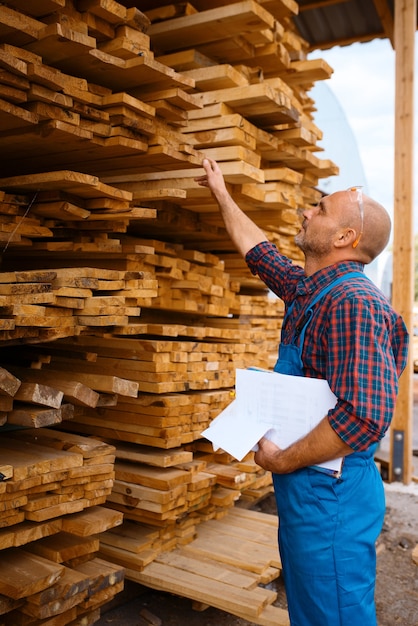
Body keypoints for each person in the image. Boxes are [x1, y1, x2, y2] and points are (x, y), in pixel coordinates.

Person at [195, 158, 409, 626]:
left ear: (344, 238)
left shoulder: (353, 303)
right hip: (309, 492)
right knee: (313, 612)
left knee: (333, 615)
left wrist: (282, 459)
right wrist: (222, 194)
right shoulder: (313, 291)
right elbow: (260, 253)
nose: (307, 212)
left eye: (321, 208)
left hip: (330, 498)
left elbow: (365, 417)